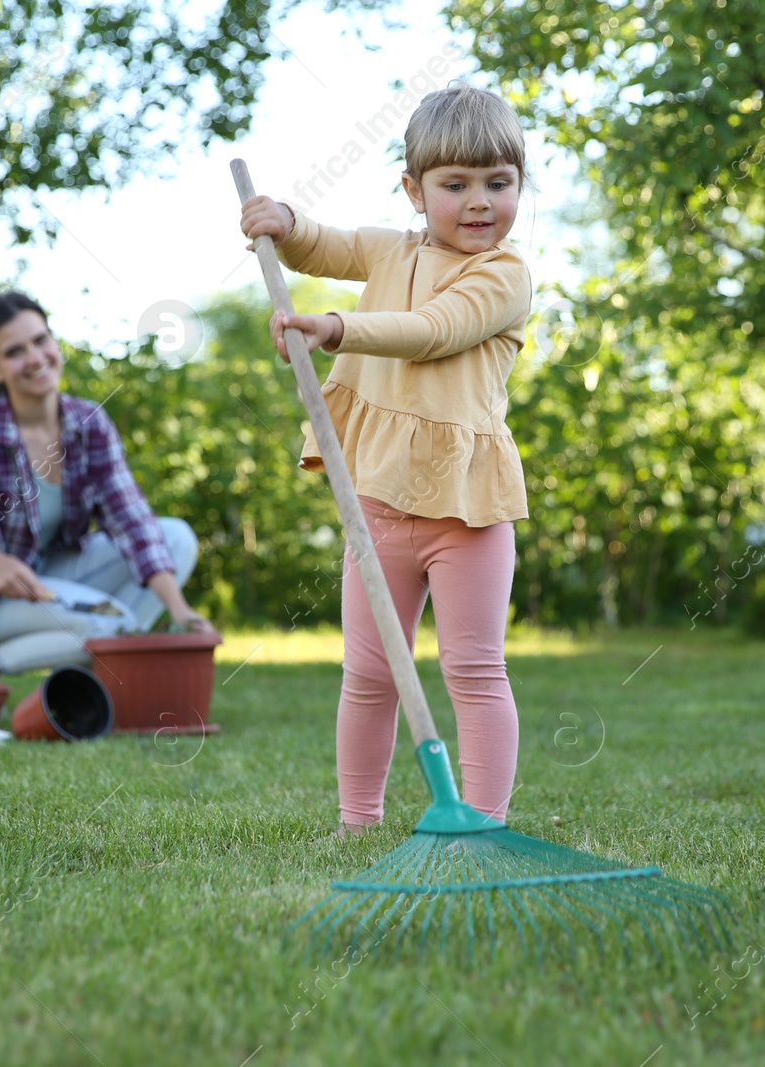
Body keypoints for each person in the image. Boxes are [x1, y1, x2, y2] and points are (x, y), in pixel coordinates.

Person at [239, 85, 531, 832]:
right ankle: (357, 821)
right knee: (369, 675)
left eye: (499, 183)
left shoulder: (502, 276)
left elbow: (433, 329)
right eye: (455, 184)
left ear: (519, 187)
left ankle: (485, 821)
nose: (479, 203)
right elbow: (325, 244)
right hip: (378, 503)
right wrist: (285, 221)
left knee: (472, 671)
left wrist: (337, 326)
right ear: (414, 189)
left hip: (466, 511)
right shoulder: (390, 250)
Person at [0, 292, 213, 681]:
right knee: (109, 623)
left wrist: (179, 610)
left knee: (175, 538)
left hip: (51, 579)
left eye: (40, 340)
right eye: (14, 352)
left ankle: (103, 664)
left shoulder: (89, 425)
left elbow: (132, 520)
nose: (34, 358)